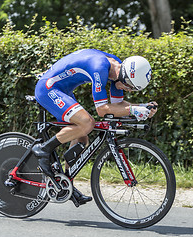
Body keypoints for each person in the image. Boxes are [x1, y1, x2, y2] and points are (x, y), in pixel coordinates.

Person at [32, 49, 158, 205]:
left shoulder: (118, 68)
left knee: (82, 137)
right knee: (87, 123)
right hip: (48, 88)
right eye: (129, 87)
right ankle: (43, 149)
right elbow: (102, 110)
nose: (128, 90)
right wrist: (133, 109)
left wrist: (141, 108)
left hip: (62, 89)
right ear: (125, 76)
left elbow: (118, 105)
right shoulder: (100, 67)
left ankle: (65, 184)